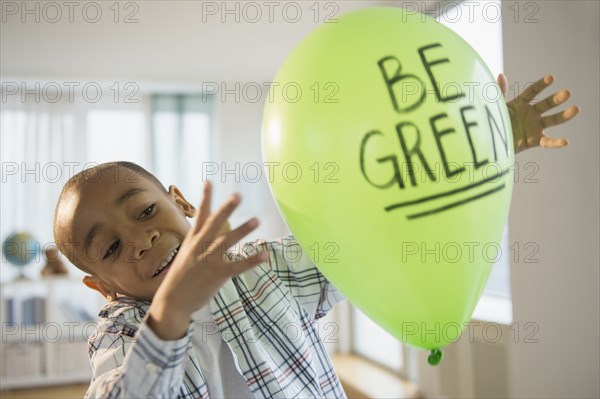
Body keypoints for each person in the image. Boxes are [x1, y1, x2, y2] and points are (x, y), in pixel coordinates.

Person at [52, 74, 579, 399]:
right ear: (102, 287)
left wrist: (484, 144)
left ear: (184, 204)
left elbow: (376, 226)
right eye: (113, 248)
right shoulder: (121, 335)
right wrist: (167, 319)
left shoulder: (264, 269)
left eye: (145, 211)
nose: (141, 240)